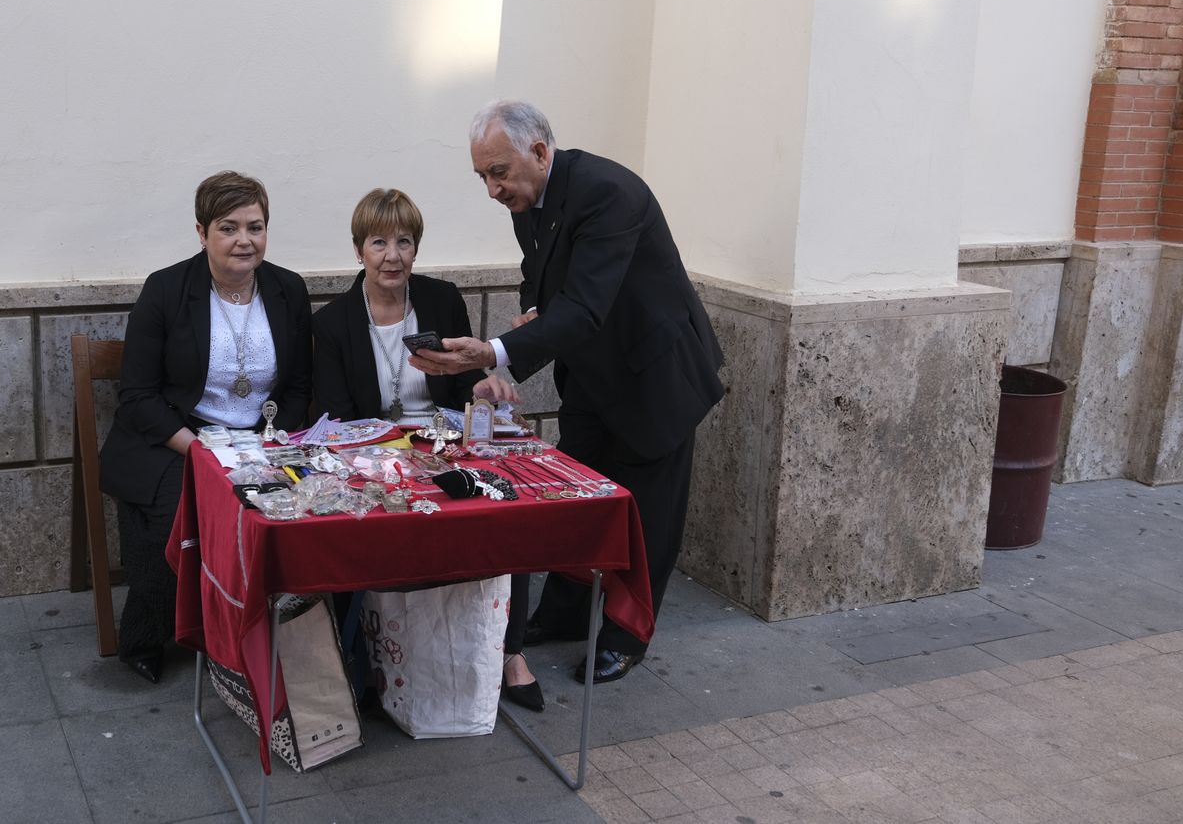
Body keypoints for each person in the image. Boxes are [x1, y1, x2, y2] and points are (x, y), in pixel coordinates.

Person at [410, 100, 724, 685]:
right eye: (482, 175)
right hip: (591, 376)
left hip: (654, 378)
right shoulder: (528, 197)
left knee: (646, 515)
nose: (491, 189)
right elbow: (545, 280)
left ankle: (628, 635)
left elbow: (584, 306)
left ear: (539, 151)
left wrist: (495, 351)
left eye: (497, 172)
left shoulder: (610, 192)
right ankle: (564, 610)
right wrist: (531, 314)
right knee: (575, 496)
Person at [311, 188, 543, 711]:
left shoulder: (441, 299)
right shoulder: (332, 323)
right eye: (378, 243)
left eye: (405, 242)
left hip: (444, 441)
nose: (392, 255)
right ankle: (367, 656)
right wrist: (399, 448)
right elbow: (338, 414)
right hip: (372, 450)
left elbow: (464, 383)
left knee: (507, 502)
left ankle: (510, 652)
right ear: (358, 251)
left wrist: (485, 390)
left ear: (416, 249)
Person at [99, 170, 312, 684]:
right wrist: (198, 450)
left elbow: (302, 385)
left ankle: (274, 633)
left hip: (262, 441)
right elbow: (137, 398)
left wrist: (269, 442)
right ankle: (147, 635)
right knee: (178, 513)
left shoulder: (287, 289)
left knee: (310, 501)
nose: (245, 240)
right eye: (228, 227)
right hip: (177, 440)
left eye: (255, 227)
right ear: (202, 233)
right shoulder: (167, 290)